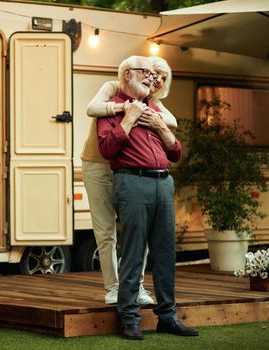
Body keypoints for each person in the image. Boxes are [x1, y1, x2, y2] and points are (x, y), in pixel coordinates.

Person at [97, 55, 198, 340]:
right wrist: (127, 120)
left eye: (155, 75)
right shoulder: (113, 108)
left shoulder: (156, 110)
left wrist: (161, 127)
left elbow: (176, 153)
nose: (152, 78)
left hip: (164, 182)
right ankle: (129, 318)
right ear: (128, 74)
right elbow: (106, 149)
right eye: (146, 72)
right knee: (133, 252)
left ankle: (167, 316)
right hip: (132, 181)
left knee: (166, 253)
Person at [81, 56, 175, 305]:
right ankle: (113, 288)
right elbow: (92, 108)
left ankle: (137, 286)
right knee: (106, 231)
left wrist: (146, 112)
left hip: (128, 170)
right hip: (98, 164)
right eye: (152, 73)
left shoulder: (150, 102)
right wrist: (127, 109)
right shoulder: (114, 87)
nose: (155, 80)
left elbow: (173, 122)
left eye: (161, 78)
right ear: (132, 74)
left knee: (138, 231)